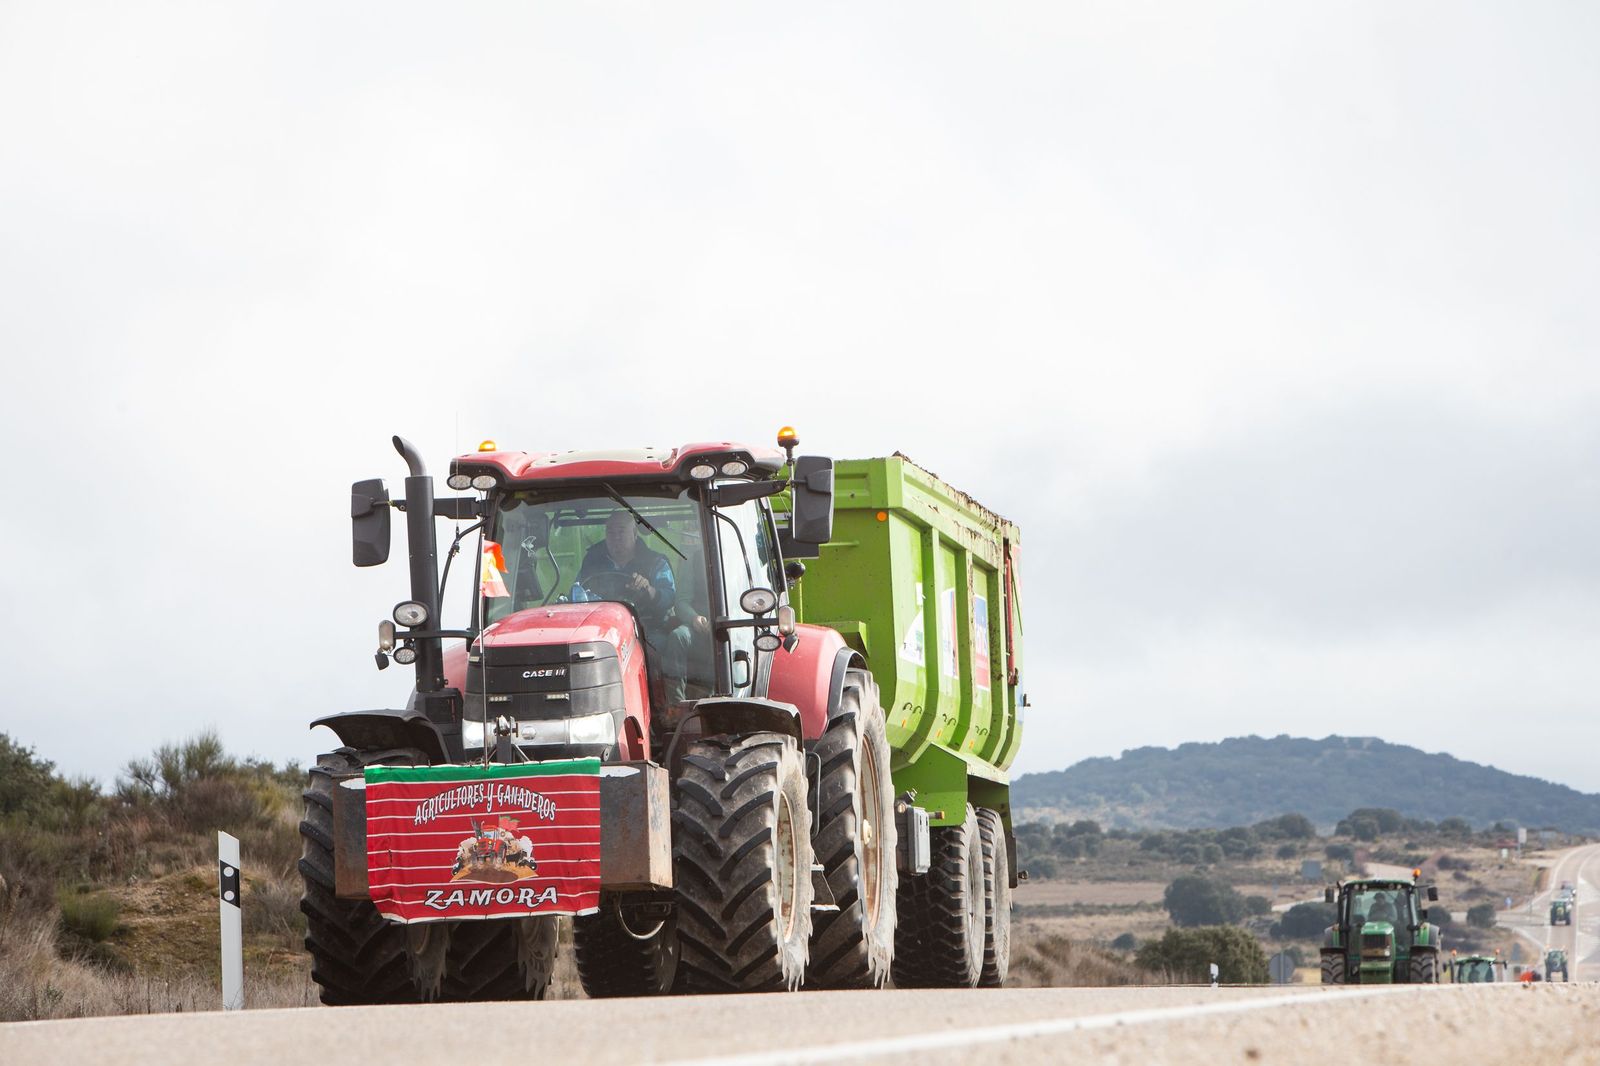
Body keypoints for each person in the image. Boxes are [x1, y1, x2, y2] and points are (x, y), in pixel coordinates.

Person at [574, 511, 676, 619]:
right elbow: (576, 592)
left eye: (621, 532)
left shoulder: (655, 562)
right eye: (611, 533)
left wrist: (649, 590)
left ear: (634, 533)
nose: (616, 538)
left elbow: (670, 598)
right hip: (600, 625)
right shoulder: (592, 562)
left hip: (647, 625)